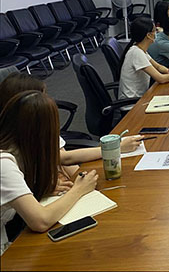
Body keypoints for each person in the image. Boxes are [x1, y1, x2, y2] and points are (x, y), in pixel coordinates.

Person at [0, 73, 143, 196]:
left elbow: (63, 160)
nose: (49, 100)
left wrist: (80, 180)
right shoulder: (7, 152)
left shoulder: (38, 128)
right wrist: (114, 148)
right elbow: (63, 158)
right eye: (42, 97)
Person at [0, 91, 99, 255]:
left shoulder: (18, 151)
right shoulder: (4, 163)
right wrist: (79, 189)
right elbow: (41, 221)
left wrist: (36, 191)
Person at [118, 17, 169, 99]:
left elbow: (158, 67)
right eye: (155, 30)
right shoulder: (136, 53)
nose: (157, 33)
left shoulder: (141, 50)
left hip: (142, 96)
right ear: (148, 35)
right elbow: (160, 78)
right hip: (133, 102)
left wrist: (168, 71)